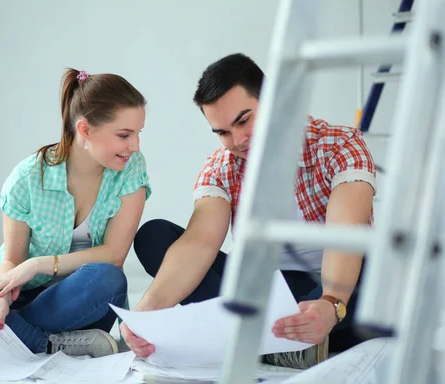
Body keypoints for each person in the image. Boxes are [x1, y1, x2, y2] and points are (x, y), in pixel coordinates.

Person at [121, 53, 376, 369]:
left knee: (379, 271)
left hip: (332, 282)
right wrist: (146, 314)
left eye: (244, 120)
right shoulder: (220, 168)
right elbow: (200, 242)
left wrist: (331, 304)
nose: (238, 140)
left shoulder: (338, 144)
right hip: (261, 290)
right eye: (223, 132)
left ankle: (273, 335)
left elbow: (346, 233)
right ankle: (278, 341)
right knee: (154, 235)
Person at [0, 68, 151, 358]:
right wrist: (1, 298)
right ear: (85, 129)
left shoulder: (131, 169)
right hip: (17, 292)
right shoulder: (28, 176)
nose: (134, 146)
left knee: (109, 278)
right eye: (124, 135)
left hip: (78, 301)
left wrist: (38, 264)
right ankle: (41, 342)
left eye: (138, 134)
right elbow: (12, 258)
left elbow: (114, 255)